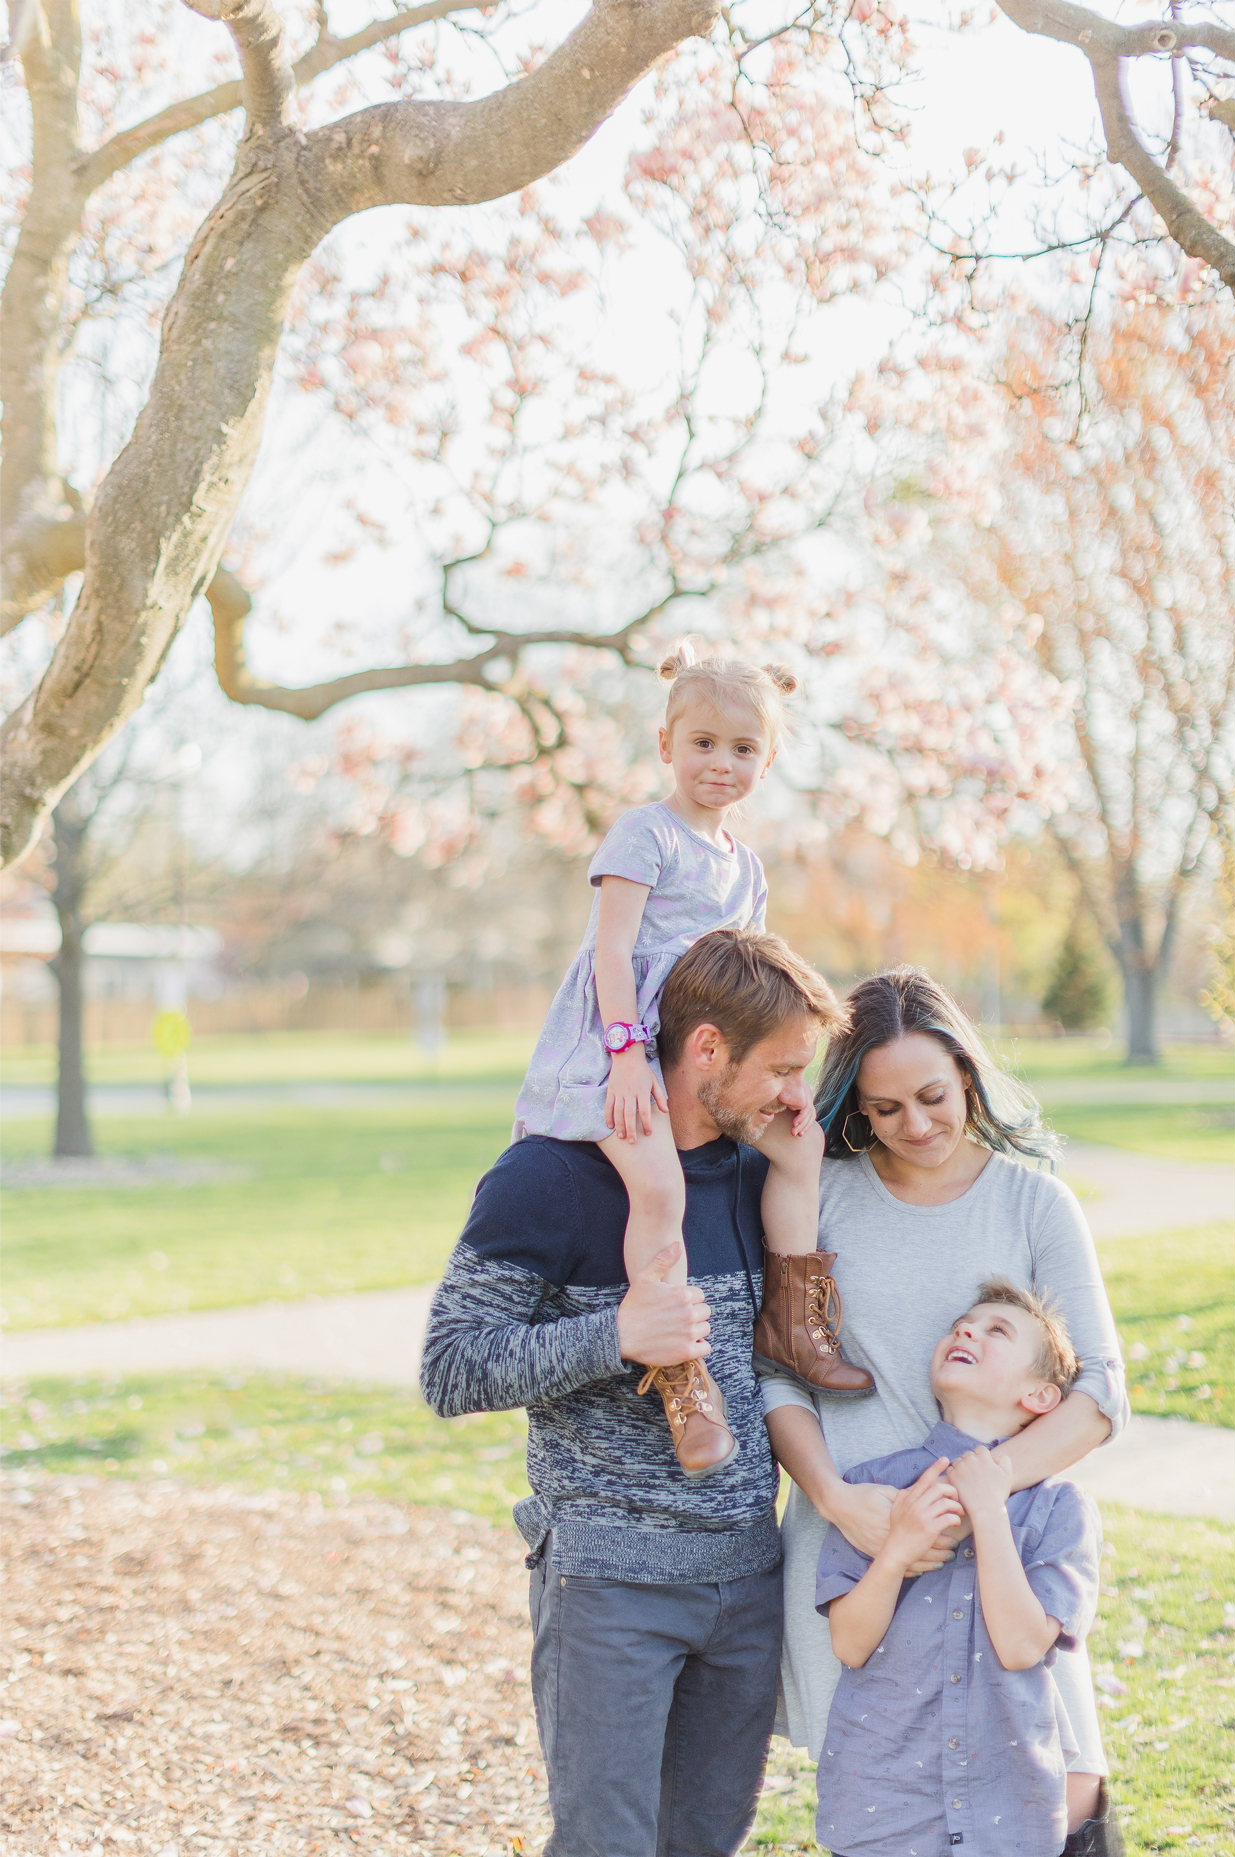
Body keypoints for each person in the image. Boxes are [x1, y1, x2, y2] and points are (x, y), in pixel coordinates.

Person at [420, 925, 846, 1857]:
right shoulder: (549, 1175)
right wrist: (616, 1336)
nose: (793, 1094)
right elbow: (450, 1366)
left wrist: (802, 1187)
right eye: (779, 1068)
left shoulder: (755, 1169)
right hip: (611, 1585)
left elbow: (787, 1350)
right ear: (705, 1051)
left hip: (745, 1578)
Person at [756, 969, 1128, 1854]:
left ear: (967, 1071)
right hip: (859, 1549)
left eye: (931, 1095)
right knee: (892, 1802)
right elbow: (780, 1374)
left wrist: (981, 1492)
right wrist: (846, 1502)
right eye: (885, 1108)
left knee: (1066, 1789)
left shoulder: (1033, 1200)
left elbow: (1100, 1391)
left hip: (1002, 1541)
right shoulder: (824, 1194)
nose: (915, 1125)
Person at [511, 644, 869, 1476]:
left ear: (768, 760)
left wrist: (781, 1075)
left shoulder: (745, 865)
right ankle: (680, 1373)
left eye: (743, 748)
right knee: (661, 1185)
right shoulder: (647, 835)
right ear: (666, 743)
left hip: (703, 1059)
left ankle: (793, 1320)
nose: (721, 762)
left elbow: (756, 978)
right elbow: (612, 954)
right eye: (703, 742)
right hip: (619, 1053)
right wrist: (625, 1055)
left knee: (799, 1145)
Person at [815, 1280, 1103, 1857]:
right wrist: (897, 1550)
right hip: (882, 1801)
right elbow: (849, 1644)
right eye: (960, 1326)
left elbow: (1023, 1646)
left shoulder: (1059, 1509)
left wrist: (989, 1510)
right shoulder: (873, 1489)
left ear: (1041, 1397)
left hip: (1008, 1803)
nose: (966, 1331)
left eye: (997, 1331)